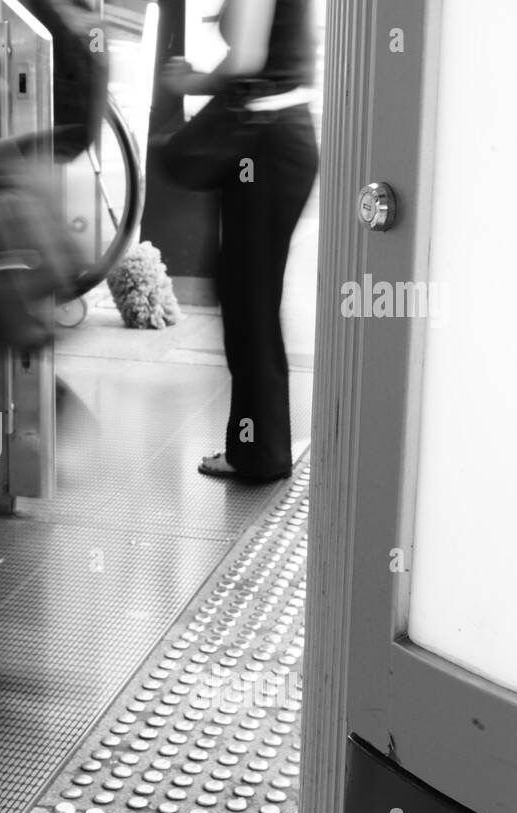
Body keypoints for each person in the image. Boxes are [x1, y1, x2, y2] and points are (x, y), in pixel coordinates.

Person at [157, 0, 318, 483]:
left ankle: (257, 453)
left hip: (265, 146)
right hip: (281, 140)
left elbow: (246, 58)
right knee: (253, 301)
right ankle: (259, 449)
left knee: (249, 305)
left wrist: (194, 82)